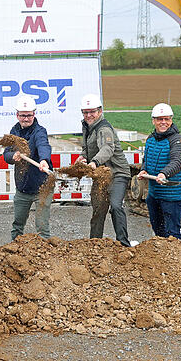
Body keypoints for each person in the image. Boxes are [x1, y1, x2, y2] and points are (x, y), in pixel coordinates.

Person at [78, 94, 132, 247]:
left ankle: (123, 244)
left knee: (115, 206)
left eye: (92, 112)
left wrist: (94, 162)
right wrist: (83, 157)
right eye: (86, 112)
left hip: (117, 173)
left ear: (100, 111)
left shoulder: (104, 129)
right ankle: (95, 244)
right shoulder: (87, 126)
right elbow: (87, 147)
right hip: (101, 175)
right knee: (98, 209)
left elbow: (107, 148)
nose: (89, 115)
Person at [2, 96, 53, 239]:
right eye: (23, 115)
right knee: (17, 224)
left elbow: (43, 145)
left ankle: (45, 250)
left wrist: (44, 160)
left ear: (34, 114)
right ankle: (14, 249)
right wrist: (12, 156)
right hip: (23, 187)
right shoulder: (14, 132)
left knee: (42, 227)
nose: (26, 119)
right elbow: (6, 154)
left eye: (29, 115)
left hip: (42, 186)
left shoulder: (39, 131)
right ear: (17, 115)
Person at [136, 103, 181, 239]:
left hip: (171, 195)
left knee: (172, 234)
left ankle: (175, 252)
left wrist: (164, 173)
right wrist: (144, 170)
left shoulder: (177, 140)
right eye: (159, 119)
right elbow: (147, 159)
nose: (163, 122)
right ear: (153, 121)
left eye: (166, 119)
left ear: (171, 120)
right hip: (154, 194)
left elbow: (177, 161)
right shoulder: (150, 139)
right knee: (158, 232)